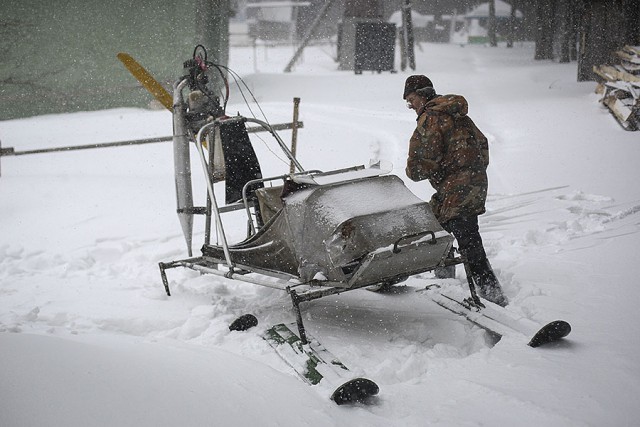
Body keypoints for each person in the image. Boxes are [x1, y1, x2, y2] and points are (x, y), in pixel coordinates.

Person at [403, 75, 508, 307]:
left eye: (410, 99)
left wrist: (419, 171)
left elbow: (421, 165)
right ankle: (447, 282)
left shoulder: (431, 119)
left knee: (468, 240)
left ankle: (493, 297)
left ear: (421, 95)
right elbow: (482, 145)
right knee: (439, 227)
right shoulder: (459, 114)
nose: (410, 105)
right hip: (474, 182)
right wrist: (470, 172)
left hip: (455, 188)